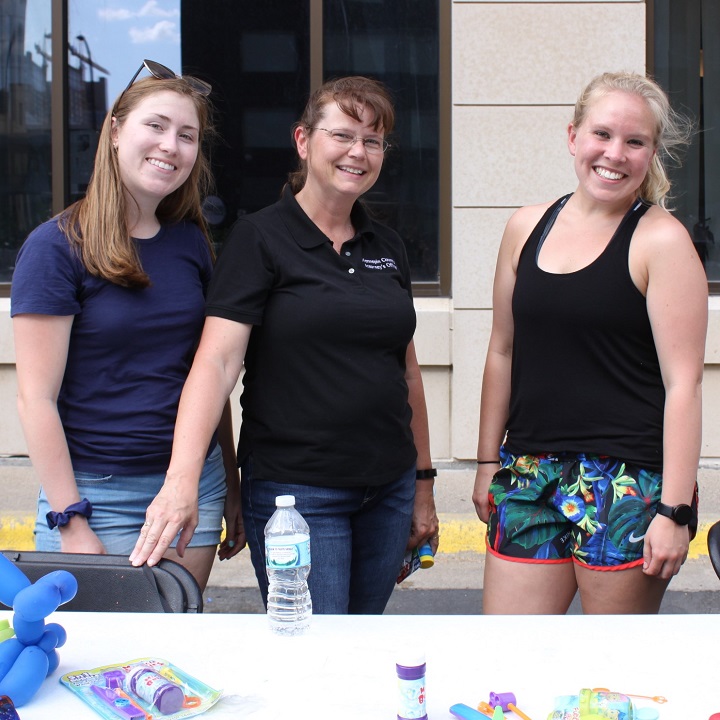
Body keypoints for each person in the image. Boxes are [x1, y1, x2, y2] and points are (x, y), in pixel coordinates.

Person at [129, 75, 440, 614]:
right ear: (303, 141)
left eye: (373, 141)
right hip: (300, 495)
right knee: (314, 653)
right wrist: (181, 481)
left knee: (363, 641)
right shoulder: (260, 237)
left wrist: (423, 485)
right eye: (342, 135)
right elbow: (216, 361)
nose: (358, 153)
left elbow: (406, 371)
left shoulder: (386, 244)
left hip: (387, 489)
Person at [472, 71, 707, 614]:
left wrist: (673, 510)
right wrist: (488, 464)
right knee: (510, 664)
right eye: (602, 134)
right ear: (573, 136)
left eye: (635, 141)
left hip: (627, 481)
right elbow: (501, 351)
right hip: (529, 472)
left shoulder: (661, 240)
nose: (615, 153)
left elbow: (684, 384)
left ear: (651, 154)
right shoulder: (525, 227)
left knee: (609, 677)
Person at [11, 60, 244, 591]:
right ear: (115, 132)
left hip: (190, 485)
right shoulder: (55, 247)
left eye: (187, 136)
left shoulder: (190, 242)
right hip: (94, 494)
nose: (171, 145)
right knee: (93, 664)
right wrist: (70, 521)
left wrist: (229, 483)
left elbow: (208, 374)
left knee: (173, 649)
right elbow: (35, 400)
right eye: (156, 125)